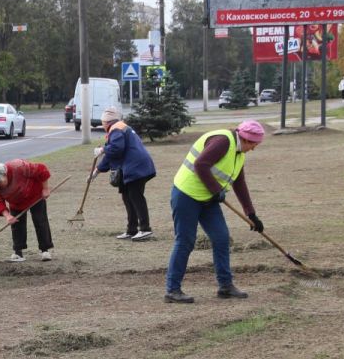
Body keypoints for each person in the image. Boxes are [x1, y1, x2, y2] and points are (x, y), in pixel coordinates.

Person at [164, 120, 266, 304]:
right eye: (253, 144)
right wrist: (215, 189)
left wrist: (251, 213)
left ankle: (225, 286)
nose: (254, 149)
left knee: (221, 238)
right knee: (186, 241)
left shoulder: (239, 153)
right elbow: (200, 164)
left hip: (208, 199)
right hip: (186, 195)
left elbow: (239, 182)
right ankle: (172, 290)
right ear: (245, 138)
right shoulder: (223, 142)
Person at [91, 107, 157, 241]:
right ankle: (131, 230)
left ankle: (145, 229)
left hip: (136, 168)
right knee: (127, 197)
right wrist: (97, 171)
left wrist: (103, 149)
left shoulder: (116, 129)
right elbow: (112, 155)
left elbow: (116, 149)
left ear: (106, 122)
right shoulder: (119, 128)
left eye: (103, 122)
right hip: (135, 167)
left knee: (135, 196)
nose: (102, 125)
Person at [0, 159, 54, 262]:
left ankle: (45, 250)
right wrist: (8, 216)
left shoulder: (19, 167)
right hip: (16, 203)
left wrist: (45, 189)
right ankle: (18, 253)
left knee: (40, 221)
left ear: (4, 174)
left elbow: (42, 170)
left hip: (35, 196)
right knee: (17, 226)